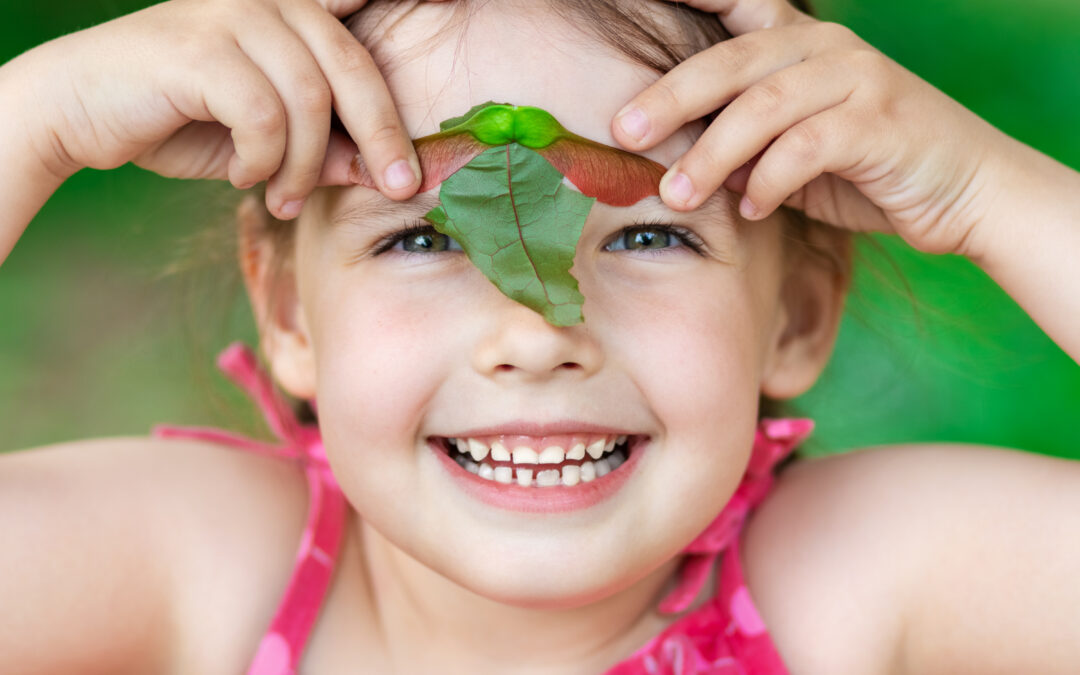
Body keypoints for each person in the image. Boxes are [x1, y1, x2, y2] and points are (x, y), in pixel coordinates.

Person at [1, 0, 1078, 672]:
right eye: (423, 240)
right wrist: (33, 118)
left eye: (651, 234)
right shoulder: (211, 568)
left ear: (796, 313)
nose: (536, 332)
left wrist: (989, 192)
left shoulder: (856, 574)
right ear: (289, 314)